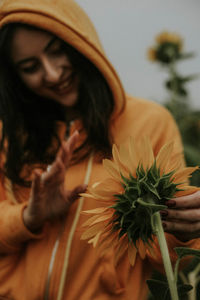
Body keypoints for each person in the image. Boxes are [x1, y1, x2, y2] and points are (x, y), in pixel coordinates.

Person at [0, 0, 199, 299]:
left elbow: (172, 263)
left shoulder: (149, 122)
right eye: (30, 67)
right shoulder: (8, 134)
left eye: (57, 51)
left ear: (82, 43)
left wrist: (183, 230)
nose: (53, 74)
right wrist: (29, 216)